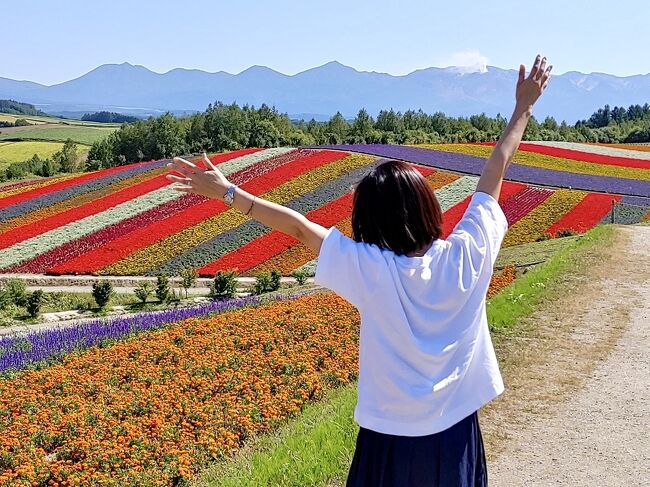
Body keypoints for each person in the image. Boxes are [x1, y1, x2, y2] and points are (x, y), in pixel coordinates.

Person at [166, 54, 553, 487]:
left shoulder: (371, 270)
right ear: (428, 206)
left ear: (369, 222)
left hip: (388, 440)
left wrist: (228, 192)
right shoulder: (467, 256)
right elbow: (494, 170)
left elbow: (298, 227)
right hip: (456, 438)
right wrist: (523, 107)